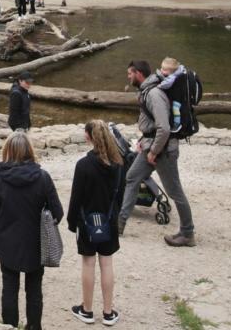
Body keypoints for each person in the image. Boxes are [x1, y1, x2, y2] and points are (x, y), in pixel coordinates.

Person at [0, 131, 62, 330]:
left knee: (9, 287)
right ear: (30, 150)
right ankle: (34, 327)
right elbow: (58, 213)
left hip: (7, 242)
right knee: (34, 290)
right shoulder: (43, 177)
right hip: (36, 243)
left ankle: (9, 326)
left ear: (7, 150)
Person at [116, 58, 195, 246]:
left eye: (129, 74)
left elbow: (164, 128)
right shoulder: (147, 91)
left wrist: (153, 151)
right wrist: (144, 142)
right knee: (132, 177)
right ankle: (119, 224)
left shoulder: (154, 94)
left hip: (163, 150)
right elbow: (151, 126)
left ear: (138, 73)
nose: (128, 77)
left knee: (174, 191)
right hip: (151, 145)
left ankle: (188, 233)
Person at [68, 121, 124, 326]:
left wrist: (72, 222)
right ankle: (108, 313)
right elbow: (120, 196)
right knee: (107, 263)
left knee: (88, 263)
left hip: (87, 222)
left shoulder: (83, 165)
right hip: (109, 221)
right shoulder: (118, 165)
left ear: (88, 137)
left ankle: (87, 310)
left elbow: (76, 197)